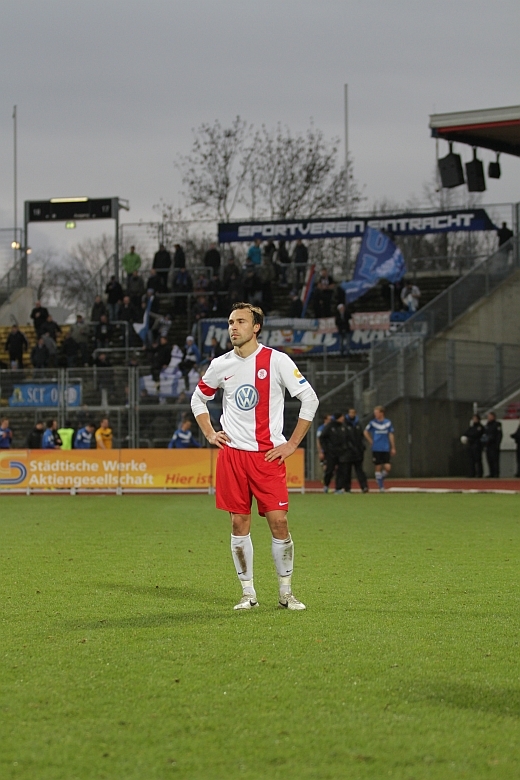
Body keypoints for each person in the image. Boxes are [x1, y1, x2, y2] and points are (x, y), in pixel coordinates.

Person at [191, 302, 319, 611]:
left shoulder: (277, 361)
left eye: (241, 322)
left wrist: (292, 444)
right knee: (239, 523)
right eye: (230, 322)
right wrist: (210, 433)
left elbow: (310, 399)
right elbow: (198, 399)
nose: (234, 327)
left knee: (279, 522)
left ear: (256, 327)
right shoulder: (220, 364)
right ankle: (248, 593)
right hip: (233, 456)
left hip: (267, 457)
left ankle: (286, 593)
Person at [364, 405, 396, 492]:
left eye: (377, 413)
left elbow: (391, 434)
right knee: (378, 466)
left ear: (382, 413)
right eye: (375, 413)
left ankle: (380, 478)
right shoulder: (372, 423)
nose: (375, 414)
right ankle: (381, 486)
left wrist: (393, 447)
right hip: (376, 448)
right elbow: (365, 432)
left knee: (388, 467)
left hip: (385, 447)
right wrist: (371, 441)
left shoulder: (388, 422)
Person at [320, 413, 348, 493]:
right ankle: (326, 485)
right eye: (342, 417)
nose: (343, 419)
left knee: (341, 470)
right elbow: (322, 438)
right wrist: (325, 449)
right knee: (330, 470)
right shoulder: (329, 426)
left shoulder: (343, 426)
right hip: (331, 453)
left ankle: (338, 488)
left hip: (341, 452)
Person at [344, 409, 368, 493]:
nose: (352, 414)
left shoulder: (358, 424)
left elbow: (361, 436)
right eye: (350, 413)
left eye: (353, 413)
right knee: (347, 471)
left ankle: (364, 487)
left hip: (358, 451)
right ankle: (347, 488)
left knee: (360, 470)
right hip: (348, 452)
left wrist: (362, 447)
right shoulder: (344, 424)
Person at [483, 411, 502, 478]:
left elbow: (499, 435)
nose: (489, 418)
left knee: (495, 460)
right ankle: (491, 473)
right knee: (489, 459)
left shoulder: (497, 424)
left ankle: (496, 473)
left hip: (494, 445)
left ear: (493, 417)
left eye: (490, 416)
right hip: (488, 445)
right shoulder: (487, 425)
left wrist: (497, 444)